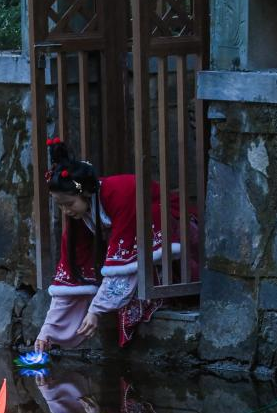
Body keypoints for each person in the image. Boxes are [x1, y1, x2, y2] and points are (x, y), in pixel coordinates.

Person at [35, 139, 199, 351]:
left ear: (85, 193)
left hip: (175, 228)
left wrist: (95, 310)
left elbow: (123, 263)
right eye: (60, 206)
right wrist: (47, 332)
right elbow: (70, 272)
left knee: (132, 290)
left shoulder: (120, 195)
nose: (66, 211)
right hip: (139, 243)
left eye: (69, 204)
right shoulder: (78, 216)